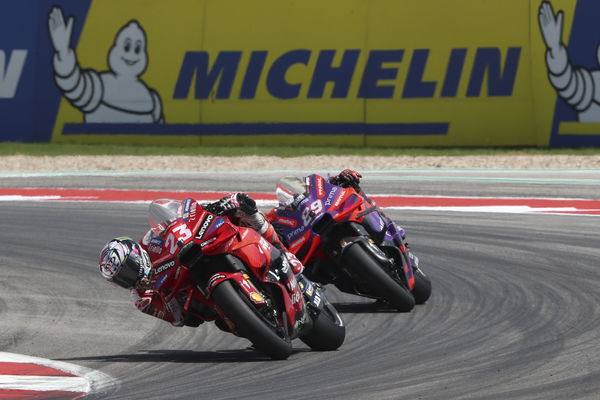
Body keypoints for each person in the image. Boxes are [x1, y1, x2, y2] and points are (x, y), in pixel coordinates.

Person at [98, 194, 306, 327]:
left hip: (201, 250)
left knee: (243, 210)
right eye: (121, 280)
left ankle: (282, 251)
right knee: (223, 324)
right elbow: (178, 320)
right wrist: (170, 302)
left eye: (128, 271)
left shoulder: (150, 241)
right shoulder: (142, 299)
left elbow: (178, 221)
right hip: (203, 298)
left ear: (136, 255)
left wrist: (213, 208)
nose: (129, 279)